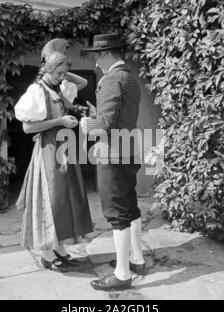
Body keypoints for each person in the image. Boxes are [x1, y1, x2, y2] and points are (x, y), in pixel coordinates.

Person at [14, 49, 93, 271]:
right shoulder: (36, 91)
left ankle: (60, 250)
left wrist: (63, 72)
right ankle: (47, 254)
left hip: (64, 149)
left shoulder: (58, 88)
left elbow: (82, 82)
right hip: (48, 151)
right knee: (53, 200)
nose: (62, 77)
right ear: (47, 70)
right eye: (58, 73)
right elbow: (28, 127)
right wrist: (60, 120)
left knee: (67, 200)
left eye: (63, 73)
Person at [81, 33, 146, 290]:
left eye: (98, 55)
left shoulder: (110, 80)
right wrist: (100, 117)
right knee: (130, 207)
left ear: (107, 53)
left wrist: (87, 124)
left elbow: (102, 128)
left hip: (112, 153)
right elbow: (118, 119)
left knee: (116, 213)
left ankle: (122, 275)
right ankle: (137, 259)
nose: (97, 62)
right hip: (129, 150)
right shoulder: (130, 79)